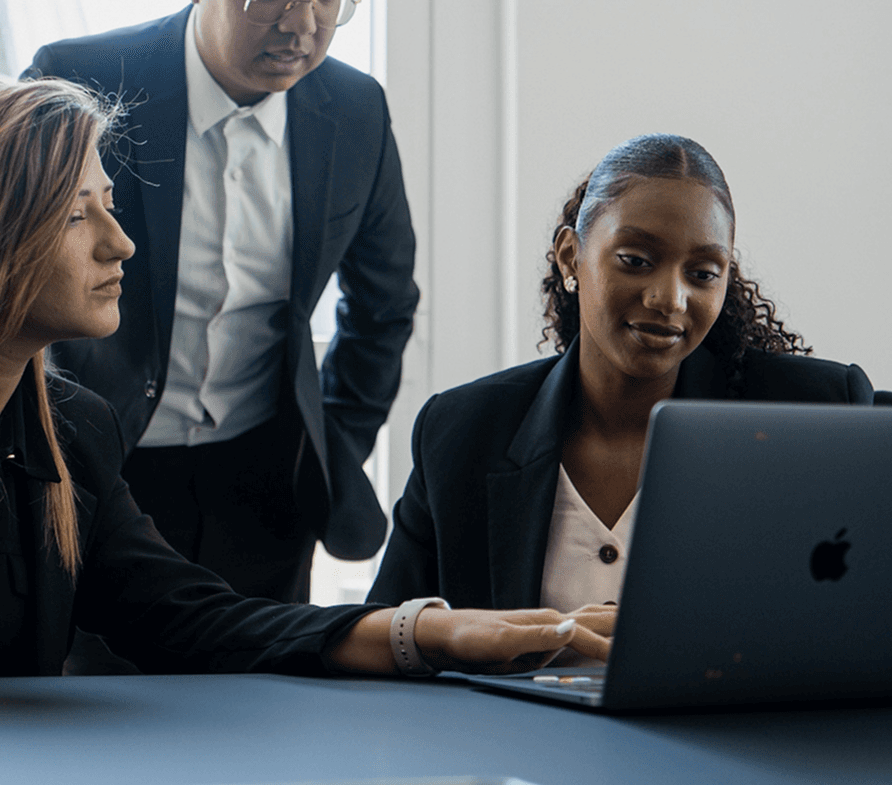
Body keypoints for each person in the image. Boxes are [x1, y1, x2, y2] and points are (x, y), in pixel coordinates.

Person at [0, 78, 610, 680]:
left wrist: (432, 631)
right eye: (74, 215)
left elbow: (189, 618)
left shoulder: (69, 429)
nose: (119, 242)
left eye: (112, 205)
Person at [24, 0, 418, 603]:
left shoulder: (355, 112)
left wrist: (330, 447)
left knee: (261, 705)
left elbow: (384, 303)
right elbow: (10, 281)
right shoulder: (79, 81)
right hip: (97, 469)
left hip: (266, 486)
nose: (303, 23)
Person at [369, 133, 874, 612]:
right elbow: (385, 634)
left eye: (702, 274)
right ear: (571, 257)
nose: (669, 299)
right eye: (635, 260)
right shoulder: (463, 431)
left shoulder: (816, 412)